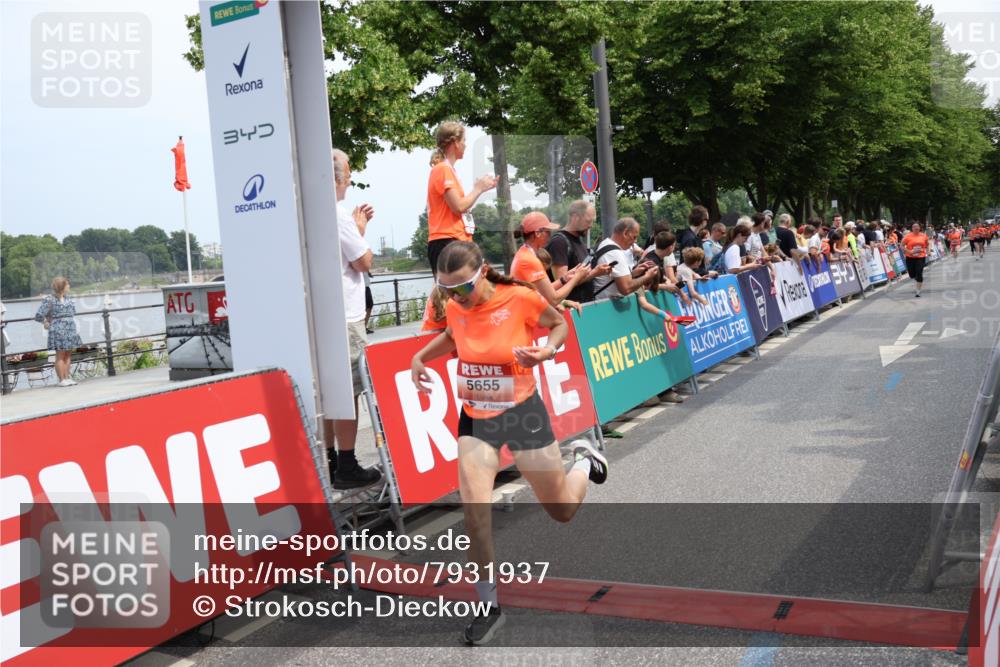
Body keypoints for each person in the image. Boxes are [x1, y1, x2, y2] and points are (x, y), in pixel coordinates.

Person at [410, 241, 608, 645]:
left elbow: (559, 324)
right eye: (446, 289)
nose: (454, 296)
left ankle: (585, 460)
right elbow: (452, 333)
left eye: (461, 287)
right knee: (475, 515)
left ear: (482, 272)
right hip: (476, 418)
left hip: (521, 414)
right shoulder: (455, 305)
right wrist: (420, 358)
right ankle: (489, 608)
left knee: (562, 509)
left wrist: (547, 351)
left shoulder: (518, 298)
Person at [325, 149, 382, 489]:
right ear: (337, 177)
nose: (349, 179)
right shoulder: (339, 214)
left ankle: (332, 460)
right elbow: (363, 261)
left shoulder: (311, 211)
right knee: (349, 391)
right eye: (347, 172)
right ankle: (347, 462)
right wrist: (360, 229)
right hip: (347, 316)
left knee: (329, 394)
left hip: (325, 314)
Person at [426, 121, 498, 275]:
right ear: (455, 143)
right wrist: (478, 189)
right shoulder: (443, 169)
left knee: (464, 291)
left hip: (455, 240)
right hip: (448, 240)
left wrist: (481, 189)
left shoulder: (448, 170)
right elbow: (459, 206)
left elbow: (461, 208)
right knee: (453, 294)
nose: (465, 145)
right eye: (464, 141)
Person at [510, 211, 586, 312]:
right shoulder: (530, 260)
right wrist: (576, 278)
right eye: (548, 232)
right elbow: (553, 299)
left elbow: (543, 291)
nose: (550, 235)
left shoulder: (524, 253)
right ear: (537, 233)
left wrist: (564, 279)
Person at [545, 200, 613, 303]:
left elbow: (580, 275)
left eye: (592, 221)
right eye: (588, 221)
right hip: (569, 310)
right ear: (575, 217)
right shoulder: (559, 242)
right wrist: (594, 273)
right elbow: (561, 281)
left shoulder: (578, 240)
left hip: (583, 307)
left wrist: (598, 271)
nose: (591, 225)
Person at [590, 218, 659, 300]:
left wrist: (633, 273)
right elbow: (626, 288)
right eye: (634, 237)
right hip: (607, 306)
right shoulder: (615, 253)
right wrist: (647, 277)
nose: (635, 241)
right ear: (625, 233)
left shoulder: (604, 243)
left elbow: (614, 278)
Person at [34, 276, 82, 387]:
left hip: (70, 328)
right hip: (57, 329)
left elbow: (73, 312)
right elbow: (39, 315)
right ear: (62, 286)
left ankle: (67, 377)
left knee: (68, 354)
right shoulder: (49, 299)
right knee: (60, 355)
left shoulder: (69, 298)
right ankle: (61, 380)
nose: (69, 286)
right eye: (67, 284)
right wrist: (45, 322)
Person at [901, 222, 929, 297]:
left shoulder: (924, 236)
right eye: (914, 227)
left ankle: (918, 291)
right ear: (912, 228)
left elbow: (927, 245)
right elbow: (902, 246)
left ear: (919, 228)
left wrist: (928, 252)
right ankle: (916, 278)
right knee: (912, 274)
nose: (916, 228)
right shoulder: (908, 236)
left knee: (919, 272)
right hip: (910, 257)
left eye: (917, 226)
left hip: (920, 257)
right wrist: (909, 251)